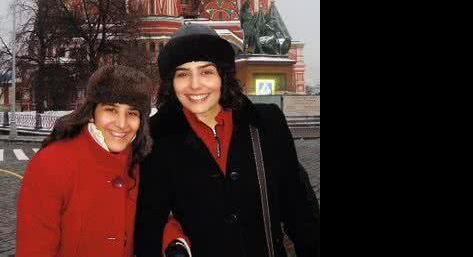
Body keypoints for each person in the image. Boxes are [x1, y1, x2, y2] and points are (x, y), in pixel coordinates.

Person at [134, 24, 320, 257]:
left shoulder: (265, 124)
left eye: (206, 72)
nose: (195, 85)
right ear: (171, 83)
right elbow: (150, 222)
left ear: (223, 75)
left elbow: (300, 208)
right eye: (183, 74)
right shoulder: (156, 139)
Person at [16, 65, 191, 257]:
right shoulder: (52, 164)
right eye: (111, 110)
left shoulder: (139, 161)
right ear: (92, 112)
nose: (122, 124)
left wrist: (174, 241)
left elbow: (152, 215)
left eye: (132, 113)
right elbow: (35, 248)